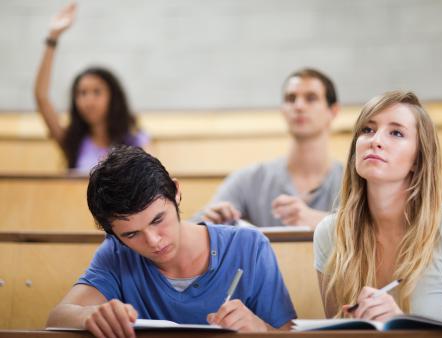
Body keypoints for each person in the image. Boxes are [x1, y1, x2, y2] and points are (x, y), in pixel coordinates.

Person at [46, 146, 296, 337]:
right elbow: (58, 316)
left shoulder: (248, 246)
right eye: (132, 234)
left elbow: (286, 332)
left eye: (157, 220)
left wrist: (261, 328)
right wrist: (90, 315)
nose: (153, 241)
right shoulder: (115, 254)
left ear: (176, 192)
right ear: (114, 235)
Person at [313, 91, 442, 327]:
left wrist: (401, 325)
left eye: (396, 133)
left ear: (418, 160)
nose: (375, 140)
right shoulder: (329, 234)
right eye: (367, 130)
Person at [195, 68, 342, 229]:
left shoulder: (354, 181)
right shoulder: (250, 179)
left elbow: (372, 229)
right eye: (291, 98)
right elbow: (192, 227)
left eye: (311, 98)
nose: (299, 106)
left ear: (333, 111)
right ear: (283, 110)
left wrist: (321, 221)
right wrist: (209, 223)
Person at [34, 3, 149, 172]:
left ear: (113, 97)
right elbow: (41, 96)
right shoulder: (74, 141)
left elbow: (151, 182)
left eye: (97, 92)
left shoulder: (136, 140)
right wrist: (53, 37)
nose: (88, 100)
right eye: (81, 93)